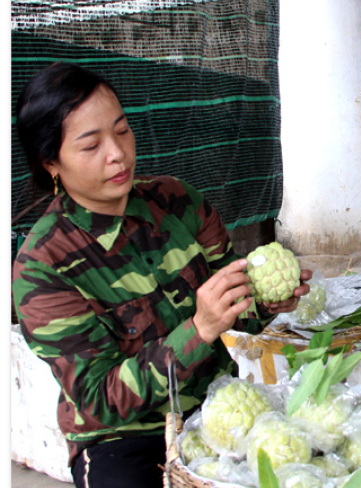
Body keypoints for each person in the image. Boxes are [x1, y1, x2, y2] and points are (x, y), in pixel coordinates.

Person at [11, 62, 312, 488]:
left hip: (223, 404)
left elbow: (239, 322)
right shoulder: (43, 267)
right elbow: (100, 398)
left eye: (121, 130)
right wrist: (199, 328)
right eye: (91, 145)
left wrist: (264, 303)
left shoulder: (177, 201)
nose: (117, 153)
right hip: (129, 435)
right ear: (51, 164)